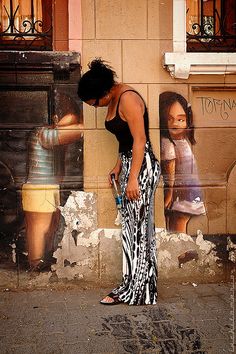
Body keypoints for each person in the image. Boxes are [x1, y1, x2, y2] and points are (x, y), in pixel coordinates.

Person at [78, 58, 161, 305]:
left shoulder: (128, 99)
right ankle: (131, 285)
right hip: (131, 165)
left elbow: (139, 140)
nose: (94, 107)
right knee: (130, 231)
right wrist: (118, 166)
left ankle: (142, 292)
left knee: (139, 232)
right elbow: (125, 140)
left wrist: (133, 177)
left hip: (142, 168)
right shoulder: (114, 98)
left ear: (104, 92)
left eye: (94, 102)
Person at [22, 113, 83, 271]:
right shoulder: (43, 133)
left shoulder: (45, 133)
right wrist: (78, 122)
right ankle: (35, 266)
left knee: (47, 228)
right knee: (39, 229)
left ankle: (39, 263)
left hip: (45, 187)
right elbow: (79, 130)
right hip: (39, 188)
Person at [159, 91, 205, 234]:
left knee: (177, 227)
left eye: (181, 119)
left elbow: (170, 167)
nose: (175, 124)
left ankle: (180, 253)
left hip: (181, 194)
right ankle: (180, 252)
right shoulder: (181, 141)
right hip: (190, 192)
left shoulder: (169, 143)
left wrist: (169, 195)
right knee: (178, 225)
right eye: (169, 119)